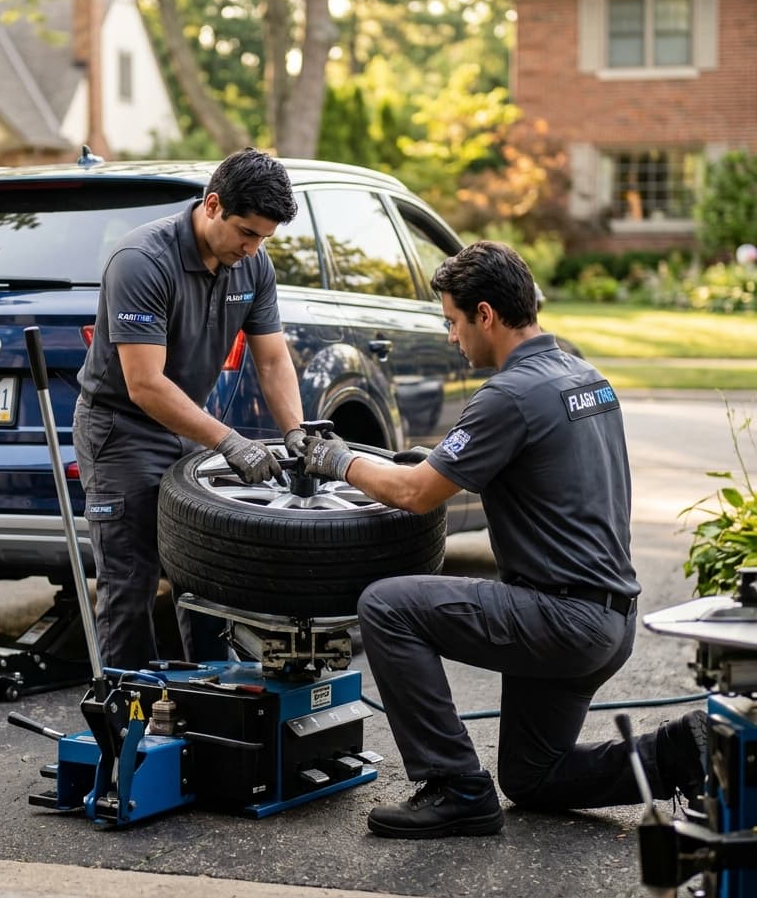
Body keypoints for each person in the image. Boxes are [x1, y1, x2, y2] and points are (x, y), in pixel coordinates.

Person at [301, 240, 706, 839]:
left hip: (560, 618)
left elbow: (415, 495)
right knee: (531, 778)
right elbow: (534, 466)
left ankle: (454, 786)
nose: (450, 337)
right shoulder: (586, 376)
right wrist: (427, 460)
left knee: (387, 606)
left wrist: (335, 459)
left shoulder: (506, 395)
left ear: (485, 314)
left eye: (453, 321)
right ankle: (677, 754)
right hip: (610, 618)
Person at [74, 147, 306, 671]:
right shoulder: (142, 261)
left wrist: (296, 433)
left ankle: (210, 709)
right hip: (121, 432)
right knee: (130, 584)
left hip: (188, 430)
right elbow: (146, 385)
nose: (254, 248)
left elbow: (272, 361)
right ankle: (128, 727)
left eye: (265, 238)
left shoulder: (253, 266)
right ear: (213, 204)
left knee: (205, 574)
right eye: (247, 232)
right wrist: (229, 441)